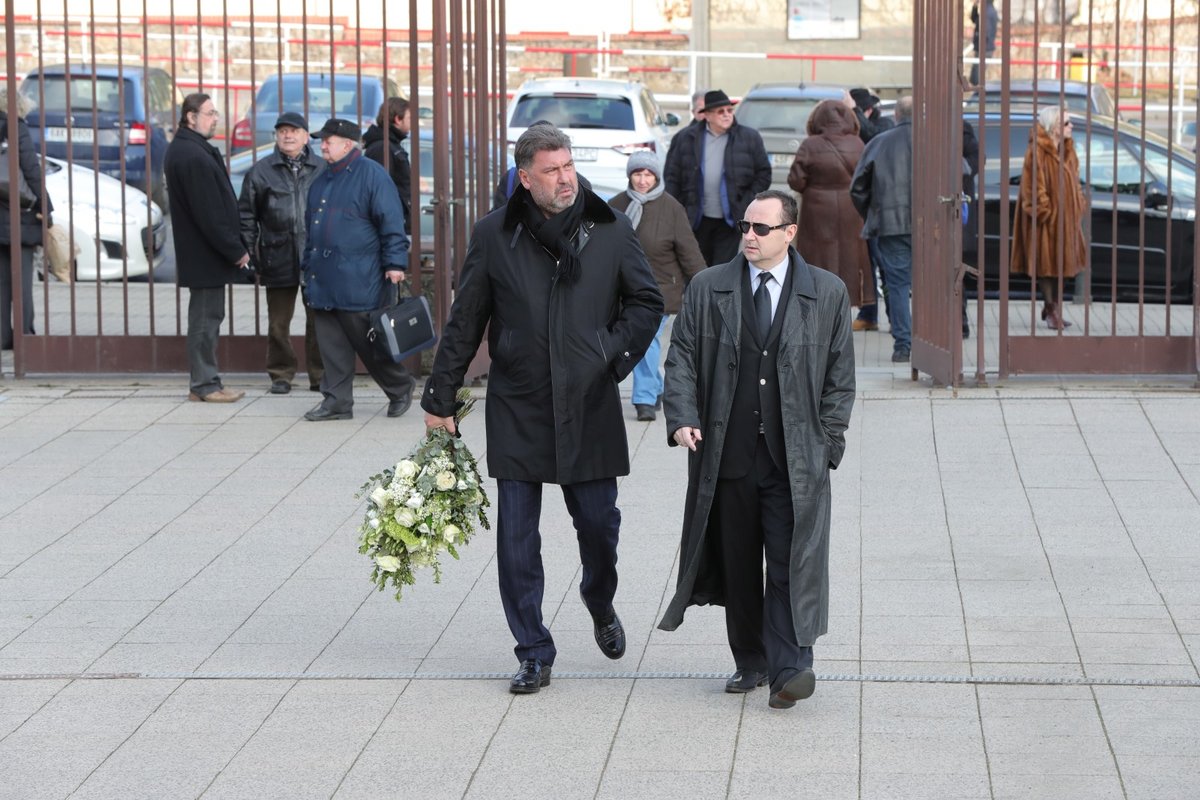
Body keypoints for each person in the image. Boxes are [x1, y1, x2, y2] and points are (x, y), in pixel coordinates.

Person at [421, 124, 663, 695]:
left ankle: (598, 599)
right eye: (551, 170)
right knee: (515, 539)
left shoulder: (609, 229)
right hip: (520, 401)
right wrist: (440, 397)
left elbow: (647, 301)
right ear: (525, 179)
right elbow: (466, 321)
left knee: (600, 526)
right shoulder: (493, 236)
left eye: (569, 166)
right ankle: (533, 648)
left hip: (587, 401)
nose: (565, 178)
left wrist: (608, 354)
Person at [659, 189, 855, 709]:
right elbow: (680, 358)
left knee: (793, 563)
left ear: (790, 233)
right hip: (727, 454)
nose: (749, 235)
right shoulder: (708, 288)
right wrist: (682, 418)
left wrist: (829, 443)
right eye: (746, 226)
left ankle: (791, 668)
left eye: (761, 229)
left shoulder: (827, 293)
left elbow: (840, 378)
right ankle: (750, 661)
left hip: (795, 459)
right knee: (740, 563)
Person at [301, 118, 414, 421]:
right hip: (324, 276)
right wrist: (307, 265)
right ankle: (337, 401)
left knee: (368, 341)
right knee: (331, 344)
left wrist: (394, 264)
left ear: (348, 144)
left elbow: (391, 223)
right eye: (321, 140)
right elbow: (312, 228)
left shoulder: (372, 176)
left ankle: (400, 386)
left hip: (359, 277)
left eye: (328, 140)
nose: (322, 145)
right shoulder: (323, 178)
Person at [164, 93, 250, 403]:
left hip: (205, 255)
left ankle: (208, 381)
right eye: (210, 113)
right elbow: (209, 212)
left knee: (209, 318)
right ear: (190, 117)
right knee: (204, 321)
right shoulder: (190, 154)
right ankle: (203, 385)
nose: (216, 118)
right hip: (204, 255)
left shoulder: (192, 149)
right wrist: (235, 249)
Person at [609, 150, 706, 422]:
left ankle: (644, 398)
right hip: (623, 290)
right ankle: (657, 387)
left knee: (648, 340)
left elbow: (688, 251)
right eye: (637, 174)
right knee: (639, 340)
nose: (642, 180)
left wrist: (705, 285)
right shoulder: (616, 205)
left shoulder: (671, 208)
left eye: (648, 174)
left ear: (656, 176)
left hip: (660, 289)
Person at [238, 111, 326, 395]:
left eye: (294, 131)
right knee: (278, 323)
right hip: (277, 256)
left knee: (319, 322)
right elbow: (247, 216)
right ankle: (281, 373)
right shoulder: (261, 171)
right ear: (276, 136)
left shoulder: (322, 168)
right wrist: (249, 253)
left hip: (315, 257)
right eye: (282, 131)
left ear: (305, 135)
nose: (288, 136)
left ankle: (320, 375)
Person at [787, 99, 875, 328]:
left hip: (817, 209)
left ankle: (817, 310)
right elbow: (867, 179)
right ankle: (844, 309)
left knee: (818, 257)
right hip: (851, 209)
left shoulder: (809, 144)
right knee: (850, 257)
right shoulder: (858, 144)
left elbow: (796, 181)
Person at [664, 89, 771, 266]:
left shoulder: (749, 138)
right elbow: (672, 177)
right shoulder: (686, 139)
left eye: (729, 110)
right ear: (707, 115)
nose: (727, 115)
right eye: (721, 112)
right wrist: (679, 209)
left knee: (723, 269)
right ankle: (699, 295)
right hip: (695, 219)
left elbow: (763, 174)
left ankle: (720, 296)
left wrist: (745, 202)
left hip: (730, 219)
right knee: (696, 267)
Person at [1010, 106, 1086, 331]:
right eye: (1066, 123)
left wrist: (1079, 204)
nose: (1071, 126)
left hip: (1068, 221)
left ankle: (1052, 307)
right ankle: (1052, 309)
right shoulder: (1037, 151)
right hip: (1046, 221)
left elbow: (1076, 182)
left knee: (1063, 267)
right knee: (1046, 266)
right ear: (1053, 127)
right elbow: (1032, 188)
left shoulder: (1068, 150)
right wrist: (1046, 213)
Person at [850, 96, 914, 363]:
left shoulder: (879, 142)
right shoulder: (939, 141)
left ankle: (903, 345)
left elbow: (858, 187)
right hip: (935, 225)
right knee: (937, 285)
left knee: (897, 284)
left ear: (896, 115)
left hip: (891, 225)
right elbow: (963, 173)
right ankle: (937, 343)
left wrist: (874, 213)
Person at [1, 88, 50, 352]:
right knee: (22, 280)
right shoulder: (15, 127)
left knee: (1, 282)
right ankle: (24, 336)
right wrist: (46, 206)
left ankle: (3, 337)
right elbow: (31, 168)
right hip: (19, 214)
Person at [363, 96, 413, 234]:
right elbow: (380, 190)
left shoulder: (391, 145)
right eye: (409, 118)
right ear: (398, 119)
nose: (413, 123)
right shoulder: (382, 147)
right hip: (390, 224)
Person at [970, 0, 999, 87]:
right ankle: (976, 94)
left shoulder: (987, 11)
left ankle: (976, 96)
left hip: (984, 48)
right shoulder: (987, 9)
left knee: (976, 76)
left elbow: (986, 31)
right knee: (976, 75)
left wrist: (981, 45)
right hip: (985, 47)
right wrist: (975, 6)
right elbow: (974, 19)